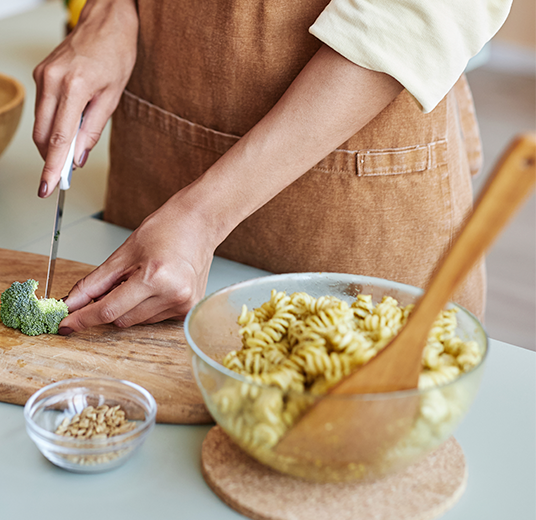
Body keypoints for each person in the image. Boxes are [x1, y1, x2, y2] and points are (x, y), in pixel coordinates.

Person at [32, 0, 512, 335]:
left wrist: (202, 215)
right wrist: (109, 9)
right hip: (161, 148)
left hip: (357, 200)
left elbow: (416, 13)